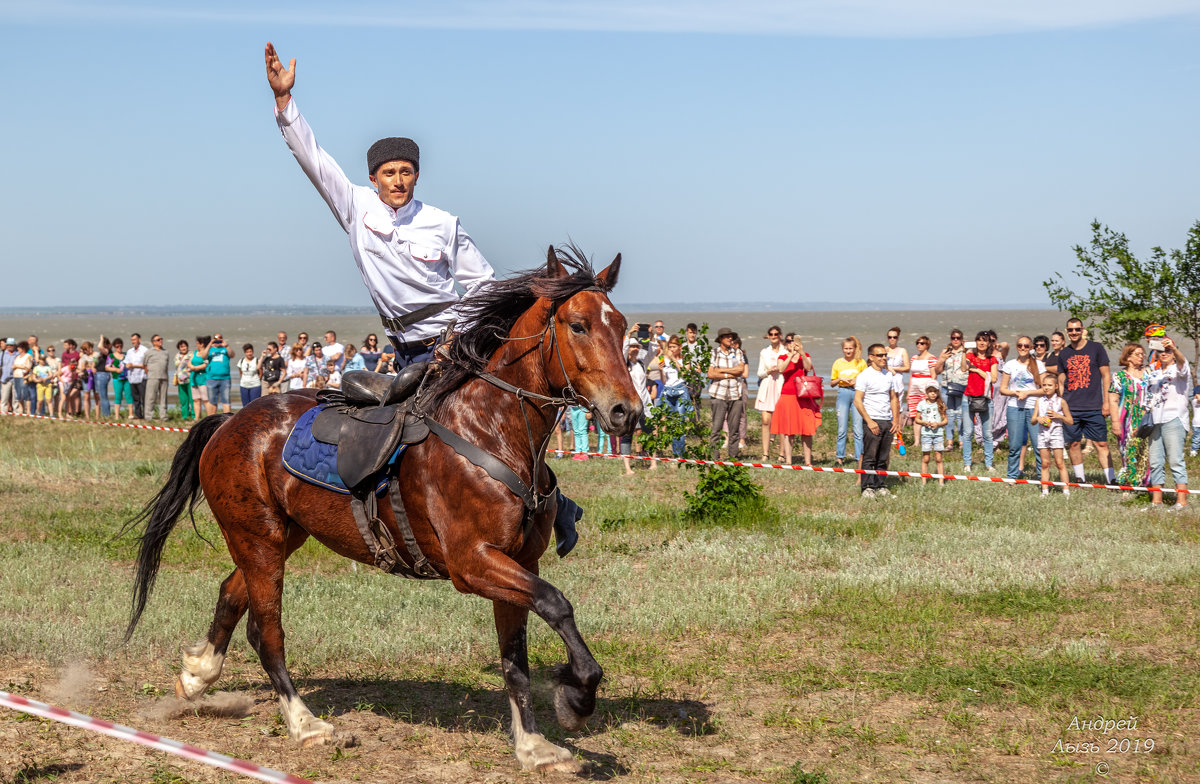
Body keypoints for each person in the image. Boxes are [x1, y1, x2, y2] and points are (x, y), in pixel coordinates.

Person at [266, 42, 583, 557]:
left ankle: (554, 506)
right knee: (405, 428)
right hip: (408, 347)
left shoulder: (442, 223)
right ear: (372, 178)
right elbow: (312, 160)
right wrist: (285, 104)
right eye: (388, 173)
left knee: (482, 428)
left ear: (416, 175)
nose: (398, 180)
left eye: (406, 172)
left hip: (455, 340)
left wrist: (460, 338)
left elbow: (481, 283)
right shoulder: (353, 207)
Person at [1058, 318, 1114, 483]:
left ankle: (1111, 480)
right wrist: (1061, 404)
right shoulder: (1064, 353)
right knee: (1074, 444)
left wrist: (1107, 402)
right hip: (1071, 407)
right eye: (1070, 330)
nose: (1074, 333)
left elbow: (1106, 376)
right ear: (1067, 332)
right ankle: (1080, 479)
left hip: (1094, 406)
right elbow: (1061, 381)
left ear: (1082, 329)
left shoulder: (1096, 348)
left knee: (1101, 443)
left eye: (1077, 329)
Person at [1142, 334, 1191, 510]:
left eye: (1168, 350)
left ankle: (1182, 501)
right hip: (1155, 420)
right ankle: (1157, 501)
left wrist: (1175, 349)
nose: (1165, 353)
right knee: (1155, 461)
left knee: (1176, 460)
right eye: (1161, 350)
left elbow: (1183, 363)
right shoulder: (1153, 373)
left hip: (1174, 419)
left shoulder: (1179, 370)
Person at [854, 343, 901, 498]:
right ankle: (867, 487)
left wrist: (895, 420)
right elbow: (858, 401)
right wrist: (869, 421)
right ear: (871, 357)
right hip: (872, 420)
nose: (883, 358)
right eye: (879, 355)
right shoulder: (864, 376)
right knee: (869, 456)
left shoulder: (889, 375)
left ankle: (881, 484)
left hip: (887, 421)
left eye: (884, 355)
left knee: (883, 457)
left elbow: (894, 398)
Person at [999, 336, 1045, 480]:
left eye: (1026, 345)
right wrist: (1016, 393)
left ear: (1031, 347)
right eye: (1020, 345)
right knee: (1014, 446)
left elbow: (1045, 389)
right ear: (1017, 347)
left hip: (1034, 408)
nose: (1023, 348)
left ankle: (1042, 478)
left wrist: (1028, 393)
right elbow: (1003, 389)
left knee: (1039, 446)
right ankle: (1012, 477)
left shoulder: (1038, 364)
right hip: (1014, 408)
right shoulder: (1010, 365)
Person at [771, 334, 819, 466]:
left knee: (807, 429)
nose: (791, 343)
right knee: (788, 430)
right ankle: (788, 460)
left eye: (794, 341)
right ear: (785, 343)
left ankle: (808, 461)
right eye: (788, 341)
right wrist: (791, 356)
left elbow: (808, 368)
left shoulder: (806, 354)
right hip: (788, 395)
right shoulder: (782, 357)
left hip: (803, 395)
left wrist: (801, 353)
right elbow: (781, 369)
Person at [1108, 343, 1149, 486]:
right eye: (1137, 354)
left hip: (1146, 418)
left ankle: (1145, 483)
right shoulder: (1119, 376)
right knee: (1128, 451)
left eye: (1142, 354)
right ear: (1128, 356)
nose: (1141, 357)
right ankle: (1128, 482)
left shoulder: (1149, 373)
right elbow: (1113, 400)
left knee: (1146, 451)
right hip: (1126, 419)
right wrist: (1115, 423)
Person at [707, 327, 748, 460]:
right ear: (720, 339)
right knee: (716, 429)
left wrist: (721, 371)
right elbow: (710, 373)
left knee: (734, 429)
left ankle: (733, 457)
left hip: (735, 395)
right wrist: (729, 372)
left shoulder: (738, 353)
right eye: (727, 336)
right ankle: (714, 458)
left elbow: (740, 370)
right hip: (718, 394)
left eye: (731, 336)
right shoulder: (714, 353)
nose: (730, 338)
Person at [962, 331, 998, 472]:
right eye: (979, 340)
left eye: (985, 340)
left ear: (989, 343)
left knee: (988, 434)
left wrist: (976, 369)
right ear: (976, 342)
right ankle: (967, 464)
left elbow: (994, 378)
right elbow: (964, 368)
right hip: (969, 397)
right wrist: (964, 353)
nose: (982, 343)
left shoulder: (992, 359)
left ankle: (989, 464)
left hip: (986, 398)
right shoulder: (970, 355)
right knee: (968, 433)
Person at [1033, 374, 1073, 496]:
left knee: (1059, 462)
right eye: (1044, 385)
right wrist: (1039, 418)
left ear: (1056, 386)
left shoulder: (1061, 401)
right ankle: (1045, 490)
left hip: (1056, 433)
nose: (1046, 388)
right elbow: (1033, 419)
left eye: (1049, 385)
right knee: (1045, 463)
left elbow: (1070, 421)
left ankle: (1066, 490)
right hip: (1042, 433)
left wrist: (1059, 416)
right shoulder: (1039, 401)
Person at [620, 340, 655, 475]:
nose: (634, 349)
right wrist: (628, 337)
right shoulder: (623, 365)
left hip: (645, 404)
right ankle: (628, 468)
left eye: (636, 347)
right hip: (630, 405)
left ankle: (653, 463)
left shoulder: (641, 363)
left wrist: (651, 336)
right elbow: (622, 353)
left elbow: (651, 352)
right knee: (628, 435)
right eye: (632, 346)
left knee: (649, 433)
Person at [831, 336, 866, 468]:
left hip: (857, 393)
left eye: (851, 348)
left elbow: (866, 379)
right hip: (843, 393)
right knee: (842, 428)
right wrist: (841, 378)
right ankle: (839, 457)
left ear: (855, 349)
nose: (848, 351)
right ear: (842, 349)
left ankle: (859, 457)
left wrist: (856, 381)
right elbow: (832, 383)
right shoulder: (838, 363)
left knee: (858, 428)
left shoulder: (861, 362)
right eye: (846, 348)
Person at [755, 326, 787, 461]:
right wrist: (768, 371)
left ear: (780, 335)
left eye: (776, 334)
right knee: (765, 420)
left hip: (780, 387)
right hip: (767, 387)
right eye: (771, 334)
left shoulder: (786, 351)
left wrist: (779, 370)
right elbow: (759, 373)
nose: (773, 336)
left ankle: (782, 453)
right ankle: (765, 453)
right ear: (768, 336)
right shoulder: (764, 352)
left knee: (781, 422)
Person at [657, 335, 692, 457]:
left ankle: (680, 455)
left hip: (681, 392)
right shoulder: (664, 359)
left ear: (680, 347)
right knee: (672, 424)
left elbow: (685, 373)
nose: (671, 349)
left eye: (674, 347)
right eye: (670, 347)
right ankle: (675, 453)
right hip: (668, 392)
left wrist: (674, 360)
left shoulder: (685, 359)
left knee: (679, 423)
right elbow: (664, 381)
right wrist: (661, 370)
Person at [935, 329, 969, 450]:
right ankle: (949, 442)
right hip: (946, 386)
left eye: (958, 338)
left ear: (962, 339)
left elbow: (969, 367)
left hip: (962, 385)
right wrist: (942, 359)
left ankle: (961, 442)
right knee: (948, 414)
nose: (955, 340)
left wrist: (966, 348)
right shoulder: (945, 351)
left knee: (960, 414)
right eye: (953, 338)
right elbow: (937, 370)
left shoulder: (967, 351)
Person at [914, 386, 947, 486]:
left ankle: (941, 482)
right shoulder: (921, 404)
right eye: (930, 392)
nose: (933, 394)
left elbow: (945, 420)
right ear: (927, 393)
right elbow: (917, 419)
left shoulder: (940, 404)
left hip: (938, 435)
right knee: (926, 458)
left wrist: (938, 424)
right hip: (926, 434)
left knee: (938, 458)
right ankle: (923, 481)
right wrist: (924, 422)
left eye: (935, 392)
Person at [908, 336, 937, 448]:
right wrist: (910, 390)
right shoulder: (914, 358)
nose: (919, 345)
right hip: (914, 387)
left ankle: (930, 441)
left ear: (927, 345)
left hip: (926, 386)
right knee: (915, 415)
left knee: (928, 414)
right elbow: (911, 375)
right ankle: (916, 442)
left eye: (922, 343)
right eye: (918, 343)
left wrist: (931, 390)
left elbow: (933, 375)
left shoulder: (931, 358)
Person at [204, 334, 233, 414]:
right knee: (212, 401)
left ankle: (227, 420)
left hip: (225, 379)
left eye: (220, 338)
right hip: (211, 378)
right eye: (216, 339)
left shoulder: (225, 349)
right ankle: (211, 420)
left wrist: (227, 345)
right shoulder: (210, 349)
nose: (218, 340)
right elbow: (203, 356)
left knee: (226, 400)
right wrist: (210, 344)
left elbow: (232, 355)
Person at [145, 335, 171, 420]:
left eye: (161, 339)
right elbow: (144, 365)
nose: (160, 341)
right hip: (153, 377)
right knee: (151, 397)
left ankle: (163, 416)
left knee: (163, 398)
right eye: (158, 340)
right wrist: (150, 374)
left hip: (164, 377)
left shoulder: (166, 352)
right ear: (153, 342)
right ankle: (149, 416)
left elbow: (166, 365)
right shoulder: (149, 352)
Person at [124, 333, 148, 420]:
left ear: (139, 340)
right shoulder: (130, 351)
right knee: (135, 398)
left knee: (144, 398)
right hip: (132, 378)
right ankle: (138, 415)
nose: (133, 342)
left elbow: (146, 365)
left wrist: (134, 365)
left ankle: (146, 415)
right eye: (132, 340)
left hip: (142, 377)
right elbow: (126, 362)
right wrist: (127, 365)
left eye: (134, 340)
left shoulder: (145, 350)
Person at [107, 339, 131, 419]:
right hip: (117, 379)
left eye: (120, 345)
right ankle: (117, 415)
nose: (119, 347)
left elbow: (130, 363)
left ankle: (130, 414)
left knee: (129, 395)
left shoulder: (126, 355)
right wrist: (115, 370)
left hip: (127, 378)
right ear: (114, 347)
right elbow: (107, 368)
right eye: (117, 346)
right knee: (118, 396)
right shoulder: (111, 356)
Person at [190, 336, 212, 417]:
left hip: (203, 378)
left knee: (205, 399)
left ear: (202, 344)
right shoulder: (195, 352)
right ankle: (196, 417)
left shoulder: (206, 354)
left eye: (197, 343)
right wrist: (191, 366)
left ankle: (209, 416)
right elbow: (189, 361)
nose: (196, 345)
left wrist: (195, 368)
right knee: (196, 399)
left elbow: (205, 364)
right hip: (194, 378)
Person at [174, 340, 195, 421]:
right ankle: (184, 416)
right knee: (183, 399)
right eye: (181, 346)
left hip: (189, 379)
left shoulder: (191, 354)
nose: (183, 348)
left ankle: (194, 415)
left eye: (185, 346)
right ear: (179, 348)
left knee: (192, 399)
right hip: (180, 380)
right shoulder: (177, 355)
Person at [238, 343, 263, 408]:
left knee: (255, 405)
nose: (249, 353)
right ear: (245, 353)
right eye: (247, 352)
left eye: (250, 351)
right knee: (245, 406)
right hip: (244, 385)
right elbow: (240, 372)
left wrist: (257, 380)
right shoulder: (241, 361)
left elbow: (260, 372)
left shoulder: (256, 360)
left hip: (255, 385)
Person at [11, 341, 33, 415]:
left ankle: (28, 411)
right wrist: (16, 367)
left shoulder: (28, 356)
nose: (17, 349)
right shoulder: (17, 357)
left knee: (26, 394)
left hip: (23, 377)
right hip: (16, 376)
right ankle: (21, 410)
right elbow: (13, 366)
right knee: (18, 394)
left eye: (19, 347)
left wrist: (18, 366)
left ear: (23, 349)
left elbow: (28, 367)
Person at [93, 337, 112, 419]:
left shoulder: (107, 352)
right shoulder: (102, 354)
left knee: (103, 396)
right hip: (98, 374)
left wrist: (101, 338)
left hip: (103, 374)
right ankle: (101, 415)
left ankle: (106, 415)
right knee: (100, 396)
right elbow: (95, 360)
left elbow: (99, 346)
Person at [77, 341, 97, 420]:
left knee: (96, 396)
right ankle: (87, 415)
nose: (86, 351)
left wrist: (90, 366)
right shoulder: (83, 357)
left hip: (95, 376)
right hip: (86, 377)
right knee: (86, 396)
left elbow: (96, 362)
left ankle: (97, 415)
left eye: (87, 349)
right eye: (84, 350)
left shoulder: (96, 354)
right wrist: (86, 367)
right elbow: (82, 367)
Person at [0, 339, 16, 414]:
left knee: (15, 398)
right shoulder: (2, 354)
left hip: (15, 379)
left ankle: (16, 413)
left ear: (14, 345)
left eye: (11, 345)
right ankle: (3, 413)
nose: (9, 346)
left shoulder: (17, 354)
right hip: (5, 379)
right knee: (4, 398)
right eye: (8, 345)